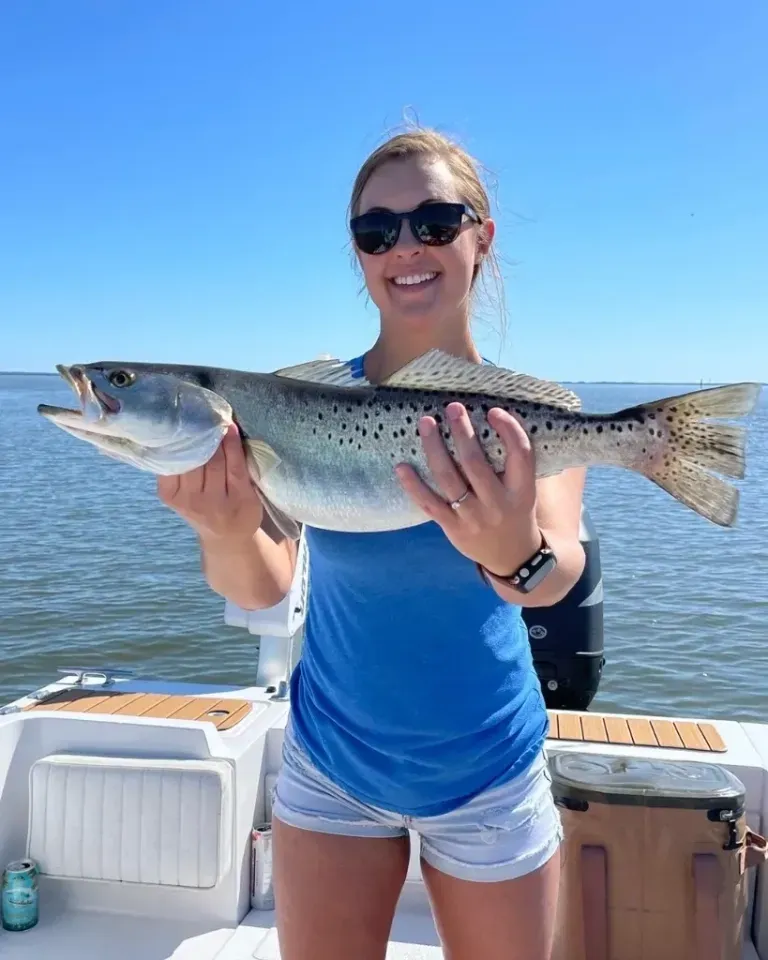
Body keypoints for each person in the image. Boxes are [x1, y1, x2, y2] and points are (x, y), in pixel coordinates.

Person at [157, 127, 587, 960]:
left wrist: (510, 548)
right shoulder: (296, 402)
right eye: (376, 230)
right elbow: (262, 586)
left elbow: (553, 572)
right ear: (359, 253)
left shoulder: (531, 415)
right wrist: (224, 526)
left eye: (434, 221)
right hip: (332, 768)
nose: (405, 248)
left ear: (480, 237)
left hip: (489, 773)